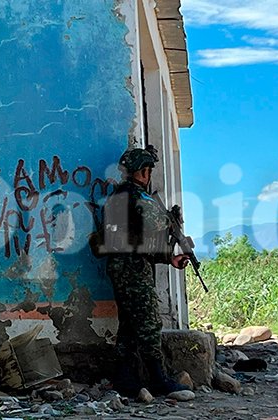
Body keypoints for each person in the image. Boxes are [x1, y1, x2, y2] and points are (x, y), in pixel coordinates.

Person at [102, 145, 191, 396]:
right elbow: (152, 227)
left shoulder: (120, 196)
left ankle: (125, 379)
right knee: (149, 323)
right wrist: (169, 219)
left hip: (125, 266)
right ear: (142, 171)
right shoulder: (137, 197)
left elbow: (140, 240)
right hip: (131, 270)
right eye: (148, 169)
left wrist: (168, 259)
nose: (149, 173)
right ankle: (158, 378)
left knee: (130, 325)